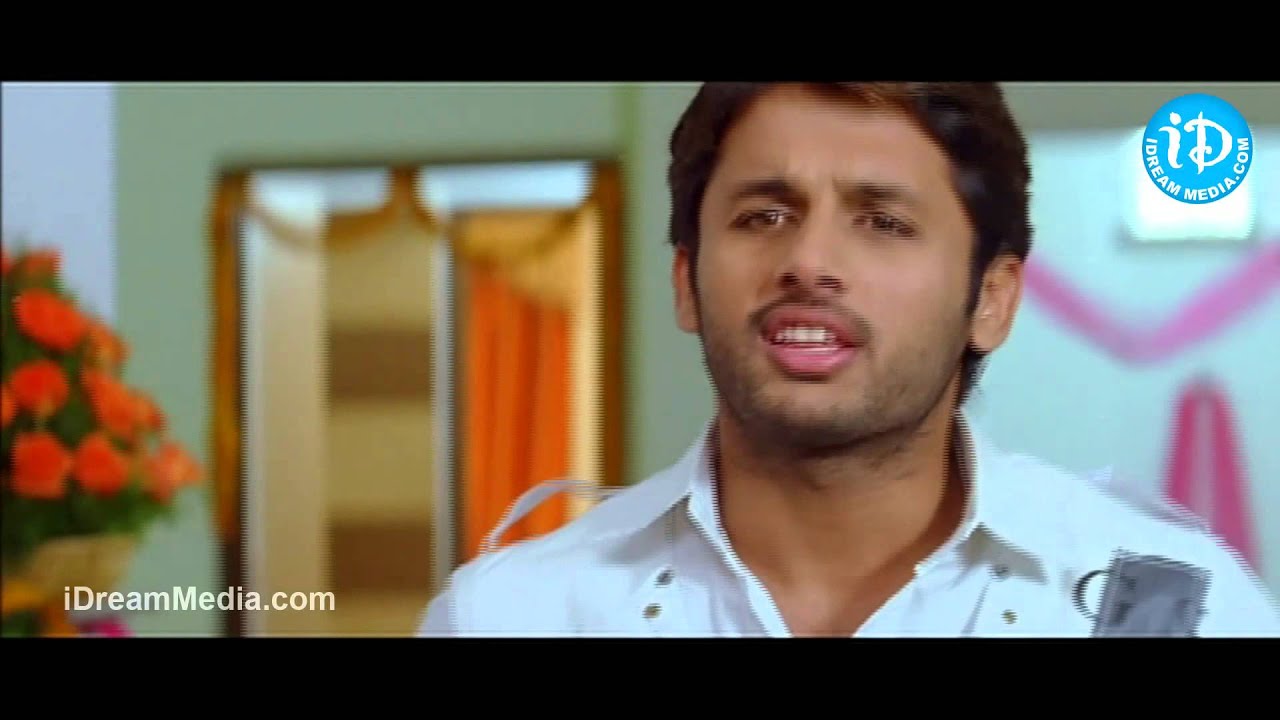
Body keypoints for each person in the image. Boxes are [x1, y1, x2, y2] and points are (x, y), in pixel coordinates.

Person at [417, 82, 1280, 637]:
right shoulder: (512, 615)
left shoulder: (1176, 612)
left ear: (991, 299)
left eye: (884, 222)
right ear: (686, 282)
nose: (809, 262)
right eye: (764, 216)